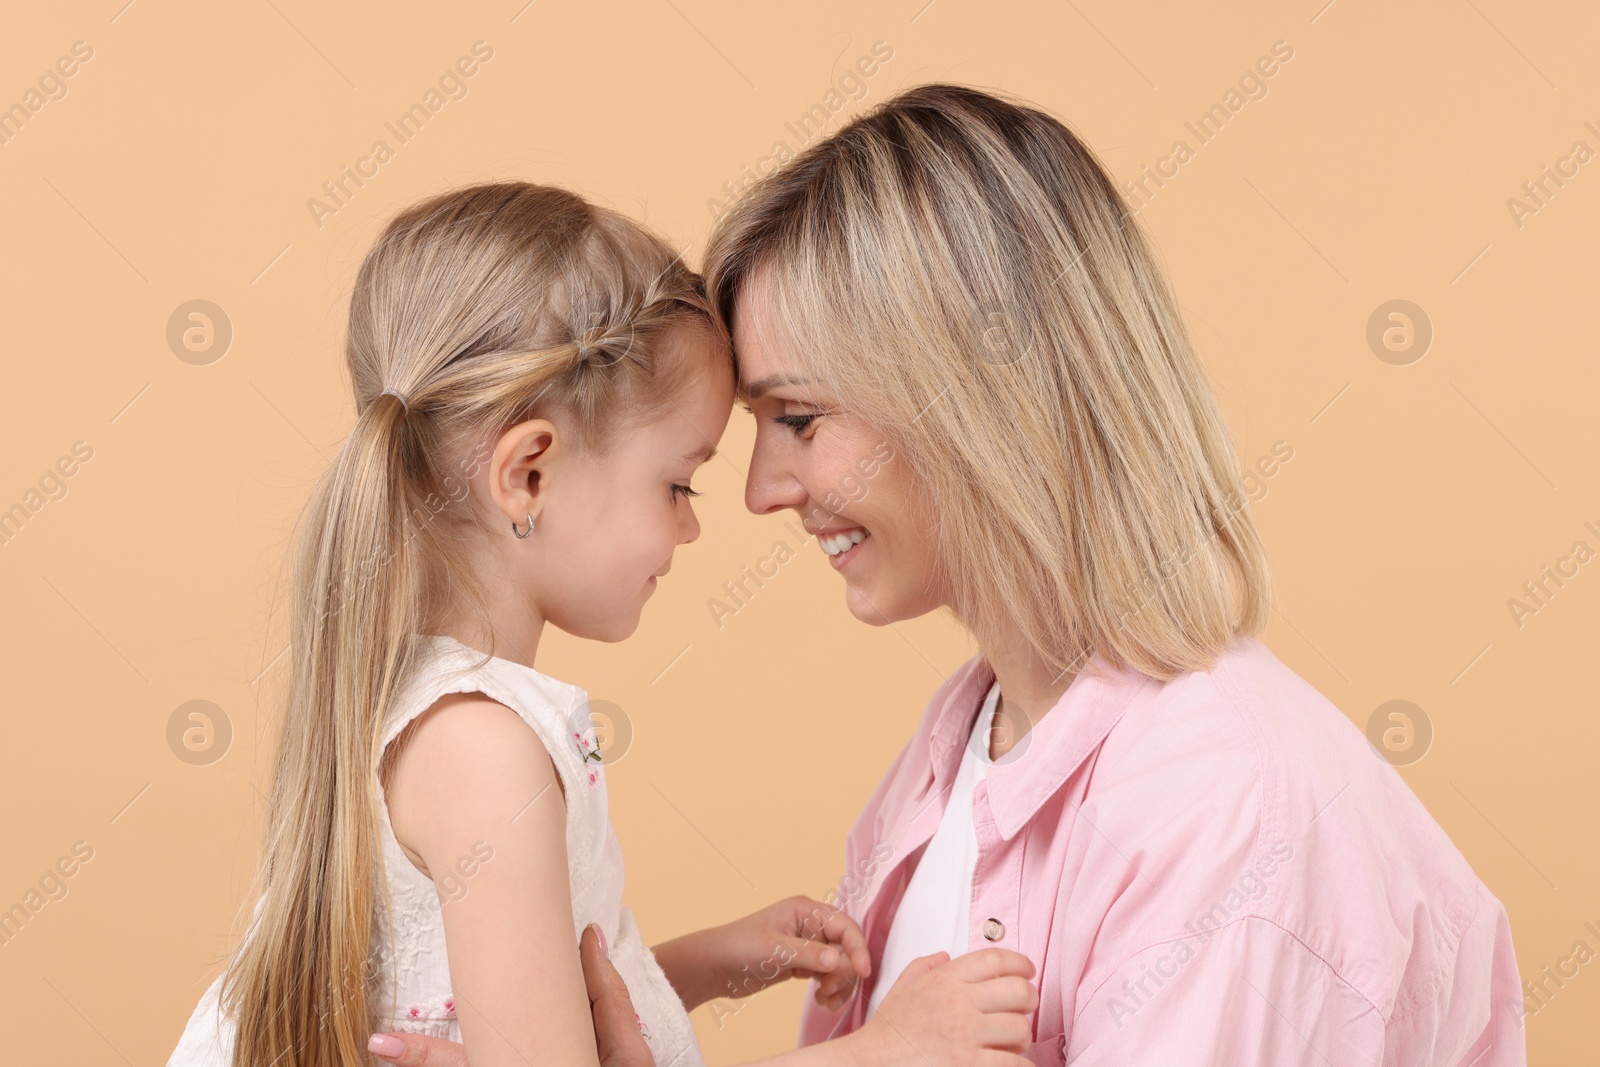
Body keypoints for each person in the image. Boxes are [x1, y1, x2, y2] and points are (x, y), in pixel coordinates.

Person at [371, 83, 1527, 1066]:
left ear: (980, 399)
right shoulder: (957, 748)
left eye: (799, 417)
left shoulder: (1228, 809)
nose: (762, 491)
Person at [165, 181, 1038, 1067]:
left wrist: (711, 961)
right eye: (678, 483)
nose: (696, 523)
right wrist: (886, 1050)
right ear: (530, 475)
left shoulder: (445, 715)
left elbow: (525, 1007)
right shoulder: (483, 754)